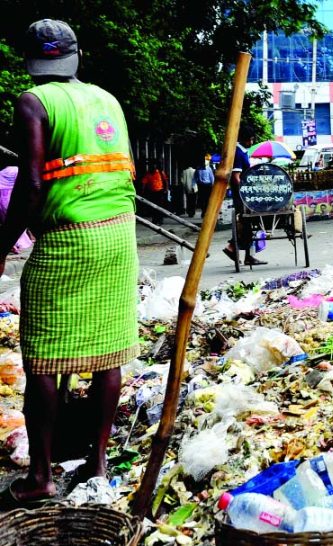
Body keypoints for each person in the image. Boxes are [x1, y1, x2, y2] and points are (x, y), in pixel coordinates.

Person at [0, 19, 139, 508]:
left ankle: (41, 475)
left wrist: (1, 247)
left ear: (32, 63)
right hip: (120, 231)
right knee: (107, 349)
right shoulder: (108, 99)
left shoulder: (33, 102)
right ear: (74, 58)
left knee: (41, 351)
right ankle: (97, 465)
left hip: (69, 236)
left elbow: (31, 184)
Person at [223, 125, 265, 266]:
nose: (252, 142)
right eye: (251, 139)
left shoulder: (242, 151)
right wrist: (245, 191)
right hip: (242, 196)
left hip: (245, 194)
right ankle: (231, 246)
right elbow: (236, 177)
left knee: (248, 225)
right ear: (245, 139)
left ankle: (248, 255)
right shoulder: (238, 153)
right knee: (245, 223)